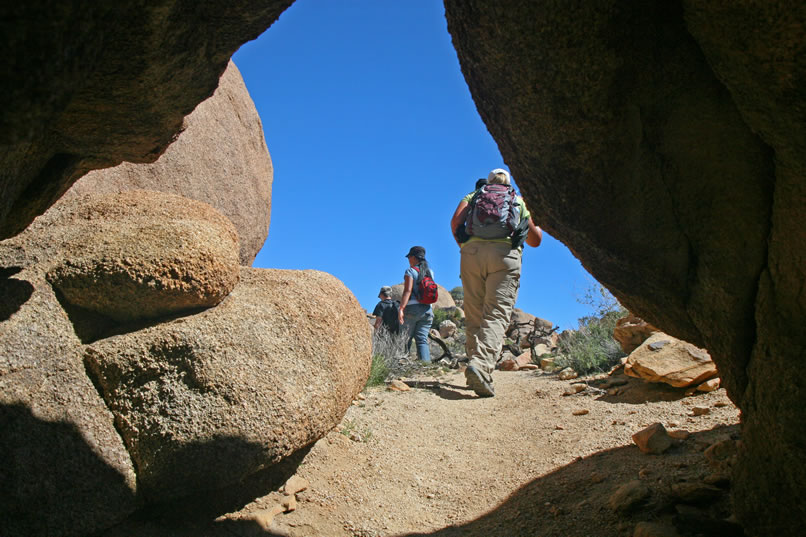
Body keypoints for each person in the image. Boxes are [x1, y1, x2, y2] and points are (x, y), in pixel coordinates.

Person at [450, 168, 542, 396]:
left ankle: (477, 369)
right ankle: (481, 367)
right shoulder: (517, 200)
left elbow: (454, 223)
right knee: (496, 315)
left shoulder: (474, 196)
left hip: (471, 254)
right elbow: (536, 239)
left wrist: (466, 246)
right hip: (505, 255)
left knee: (474, 315)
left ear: (488, 183)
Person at [397, 246, 435, 363]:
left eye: (409, 257)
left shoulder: (410, 271)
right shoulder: (430, 272)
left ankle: (402, 366)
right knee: (422, 340)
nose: (408, 259)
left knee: (405, 339)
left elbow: (407, 291)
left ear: (413, 257)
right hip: (427, 311)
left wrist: (401, 308)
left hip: (412, 310)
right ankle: (426, 368)